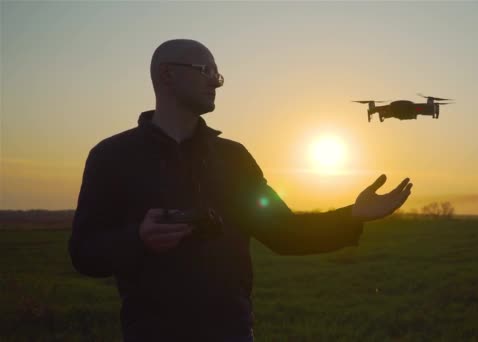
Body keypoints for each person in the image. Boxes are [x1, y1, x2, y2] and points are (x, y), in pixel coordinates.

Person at [69, 39, 413, 342]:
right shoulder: (111, 156)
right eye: (206, 70)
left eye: (218, 74)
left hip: (230, 332)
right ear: (166, 75)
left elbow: (285, 233)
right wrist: (138, 239)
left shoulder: (234, 158)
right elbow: (84, 253)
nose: (216, 82)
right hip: (150, 333)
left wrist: (352, 215)